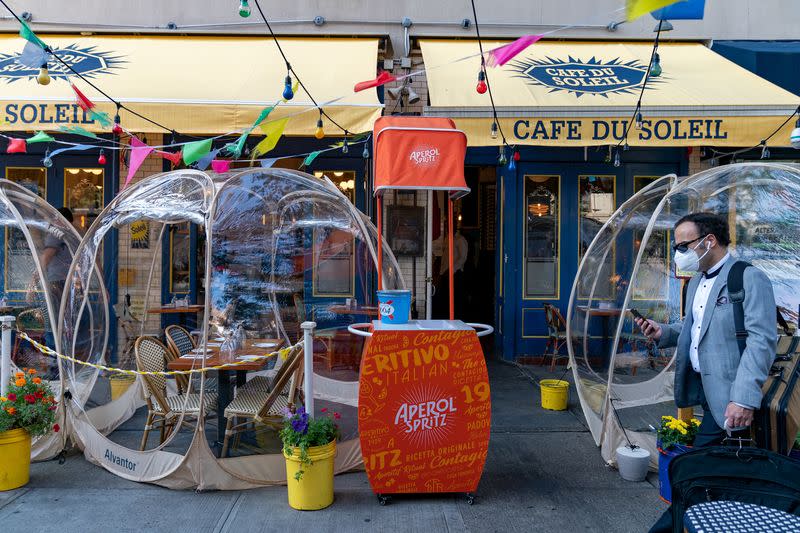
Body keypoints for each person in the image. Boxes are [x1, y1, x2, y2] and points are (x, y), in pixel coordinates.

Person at [637, 212, 776, 533]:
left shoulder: (748, 278)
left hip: (731, 399)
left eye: (683, 245)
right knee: (717, 478)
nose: (678, 254)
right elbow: (695, 327)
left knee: (695, 473)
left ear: (708, 241)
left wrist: (743, 400)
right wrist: (664, 332)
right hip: (703, 391)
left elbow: (762, 342)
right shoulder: (698, 280)